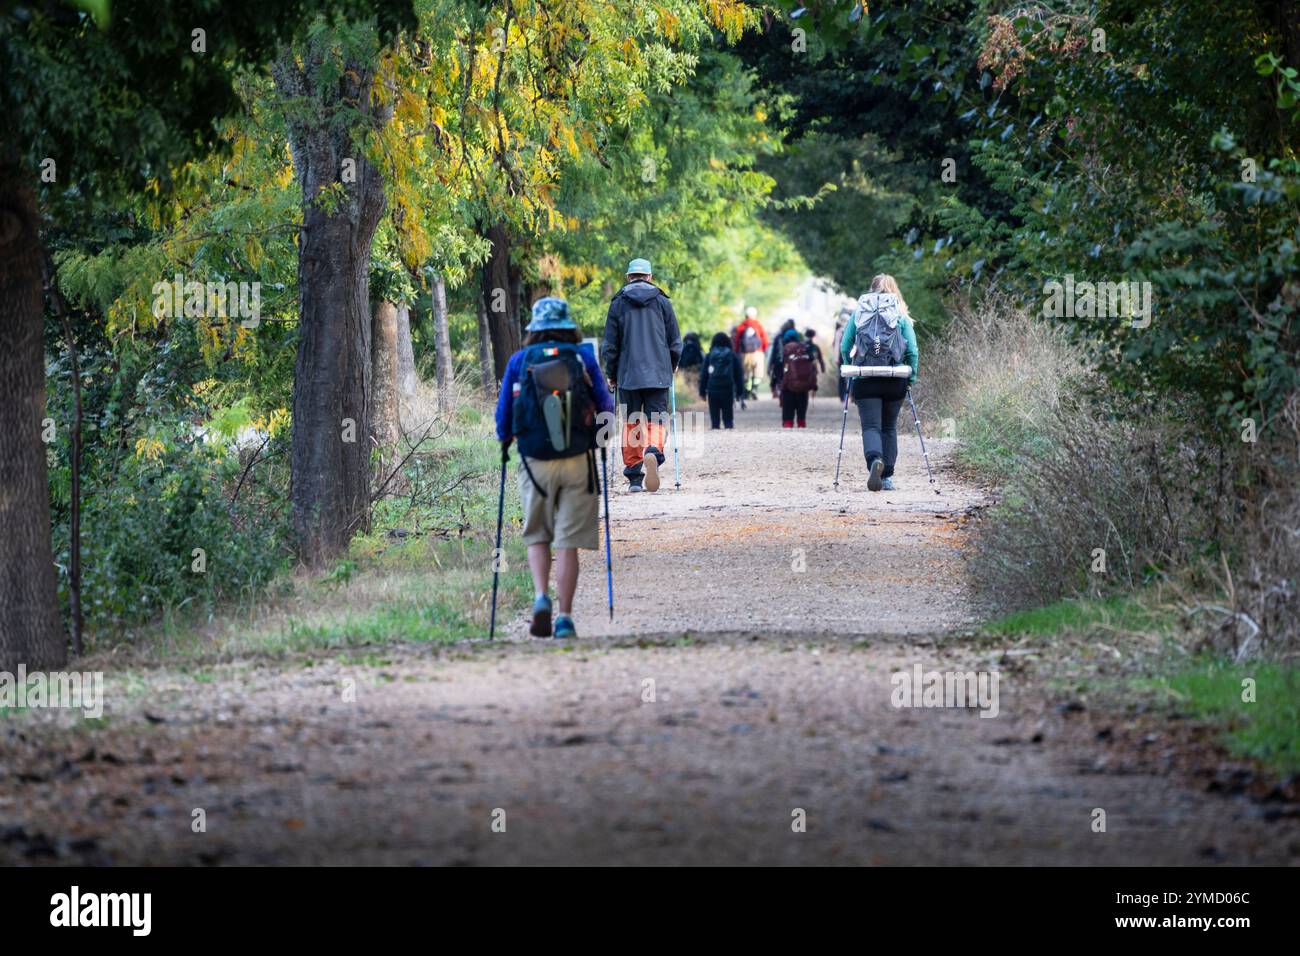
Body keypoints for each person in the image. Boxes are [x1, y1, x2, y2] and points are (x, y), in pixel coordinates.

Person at [496, 297, 615, 639]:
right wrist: (602, 440)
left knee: (538, 534)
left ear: (534, 329)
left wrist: (506, 442)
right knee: (568, 541)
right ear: (568, 326)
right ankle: (564, 617)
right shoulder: (583, 357)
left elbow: (504, 413)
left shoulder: (520, 361)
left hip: (534, 460)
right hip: (577, 458)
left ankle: (539, 598)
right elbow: (606, 405)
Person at [601, 257, 682, 493]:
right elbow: (675, 341)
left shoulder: (618, 303)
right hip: (658, 372)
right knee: (656, 418)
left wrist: (611, 373)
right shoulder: (662, 302)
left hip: (628, 374)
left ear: (628, 277)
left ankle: (635, 477)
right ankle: (653, 451)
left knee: (632, 422)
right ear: (649, 277)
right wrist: (672, 364)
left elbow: (610, 345)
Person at [840, 274, 919, 492]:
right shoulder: (901, 316)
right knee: (889, 427)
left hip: (865, 379)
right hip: (894, 380)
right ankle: (886, 477)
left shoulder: (859, 314)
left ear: (871, 290)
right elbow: (912, 351)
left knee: (872, 426)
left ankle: (875, 460)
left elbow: (845, 346)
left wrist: (852, 369)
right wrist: (910, 377)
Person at [773, 327, 817, 428]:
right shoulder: (804, 348)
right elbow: (812, 364)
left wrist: (779, 380)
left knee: (788, 406)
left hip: (788, 385)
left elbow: (778, 366)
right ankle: (801, 423)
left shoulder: (785, 349)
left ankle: (788, 423)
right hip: (804, 384)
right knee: (802, 404)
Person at [698, 332, 744, 429]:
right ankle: (728, 429)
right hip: (728, 388)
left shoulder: (709, 355)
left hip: (712, 389)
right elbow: (739, 374)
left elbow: (704, 375)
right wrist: (740, 392)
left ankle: (715, 429)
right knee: (728, 417)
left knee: (715, 419)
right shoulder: (732, 355)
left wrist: (702, 391)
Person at [732, 306, 768, 400]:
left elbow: (736, 341)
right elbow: (765, 340)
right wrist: (762, 350)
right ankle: (754, 389)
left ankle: (747, 392)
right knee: (758, 373)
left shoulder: (741, 326)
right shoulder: (758, 325)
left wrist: (736, 351)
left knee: (746, 373)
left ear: (746, 315)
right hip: (758, 353)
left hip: (745, 354)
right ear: (755, 315)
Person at [766, 317, 796, 398]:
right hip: (792, 361)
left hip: (780, 361)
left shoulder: (779, 336)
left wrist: (771, 363)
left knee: (778, 375)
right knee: (787, 374)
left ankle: (777, 390)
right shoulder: (795, 335)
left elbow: (774, 351)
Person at [831, 308, 852, 401]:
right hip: (851, 355)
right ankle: (851, 395)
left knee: (841, 376)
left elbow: (836, 346)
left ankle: (842, 396)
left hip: (841, 356)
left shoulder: (839, 331)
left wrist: (835, 358)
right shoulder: (851, 330)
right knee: (852, 375)